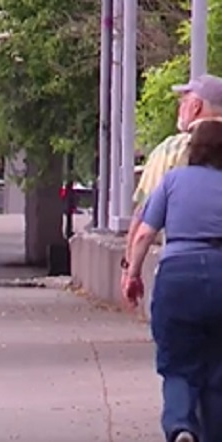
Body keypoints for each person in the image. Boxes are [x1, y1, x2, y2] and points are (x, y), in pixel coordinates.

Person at [124, 120, 222, 442]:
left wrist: (132, 274)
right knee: (217, 367)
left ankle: (181, 425)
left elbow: (144, 235)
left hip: (178, 275)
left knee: (178, 364)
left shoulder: (172, 181)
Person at [122, 73, 222, 279]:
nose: (180, 108)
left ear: (196, 107)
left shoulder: (171, 149)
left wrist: (129, 268)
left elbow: (142, 216)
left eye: (183, 102)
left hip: (180, 268)